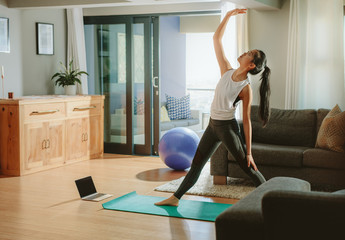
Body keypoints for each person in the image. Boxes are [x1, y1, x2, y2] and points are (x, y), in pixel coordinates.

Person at [155, 8, 271, 207]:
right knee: (196, 166)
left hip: (227, 129)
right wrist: (228, 16)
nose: (244, 52)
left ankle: (276, 201)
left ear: (251, 65)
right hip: (212, 126)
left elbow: (247, 123)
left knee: (248, 167)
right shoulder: (226, 69)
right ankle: (175, 198)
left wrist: (249, 151)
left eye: (249, 54)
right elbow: (216, 39)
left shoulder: (245, 88)